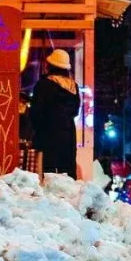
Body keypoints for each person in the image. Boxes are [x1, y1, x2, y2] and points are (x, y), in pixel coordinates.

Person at [30, 48, 80, 179]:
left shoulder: (44, 85)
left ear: (51, 65)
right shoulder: (73, 86)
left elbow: (36, 113)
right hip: (68, 134)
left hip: (48, 135)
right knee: (67, 171)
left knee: (48, 173)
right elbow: (75, 111)